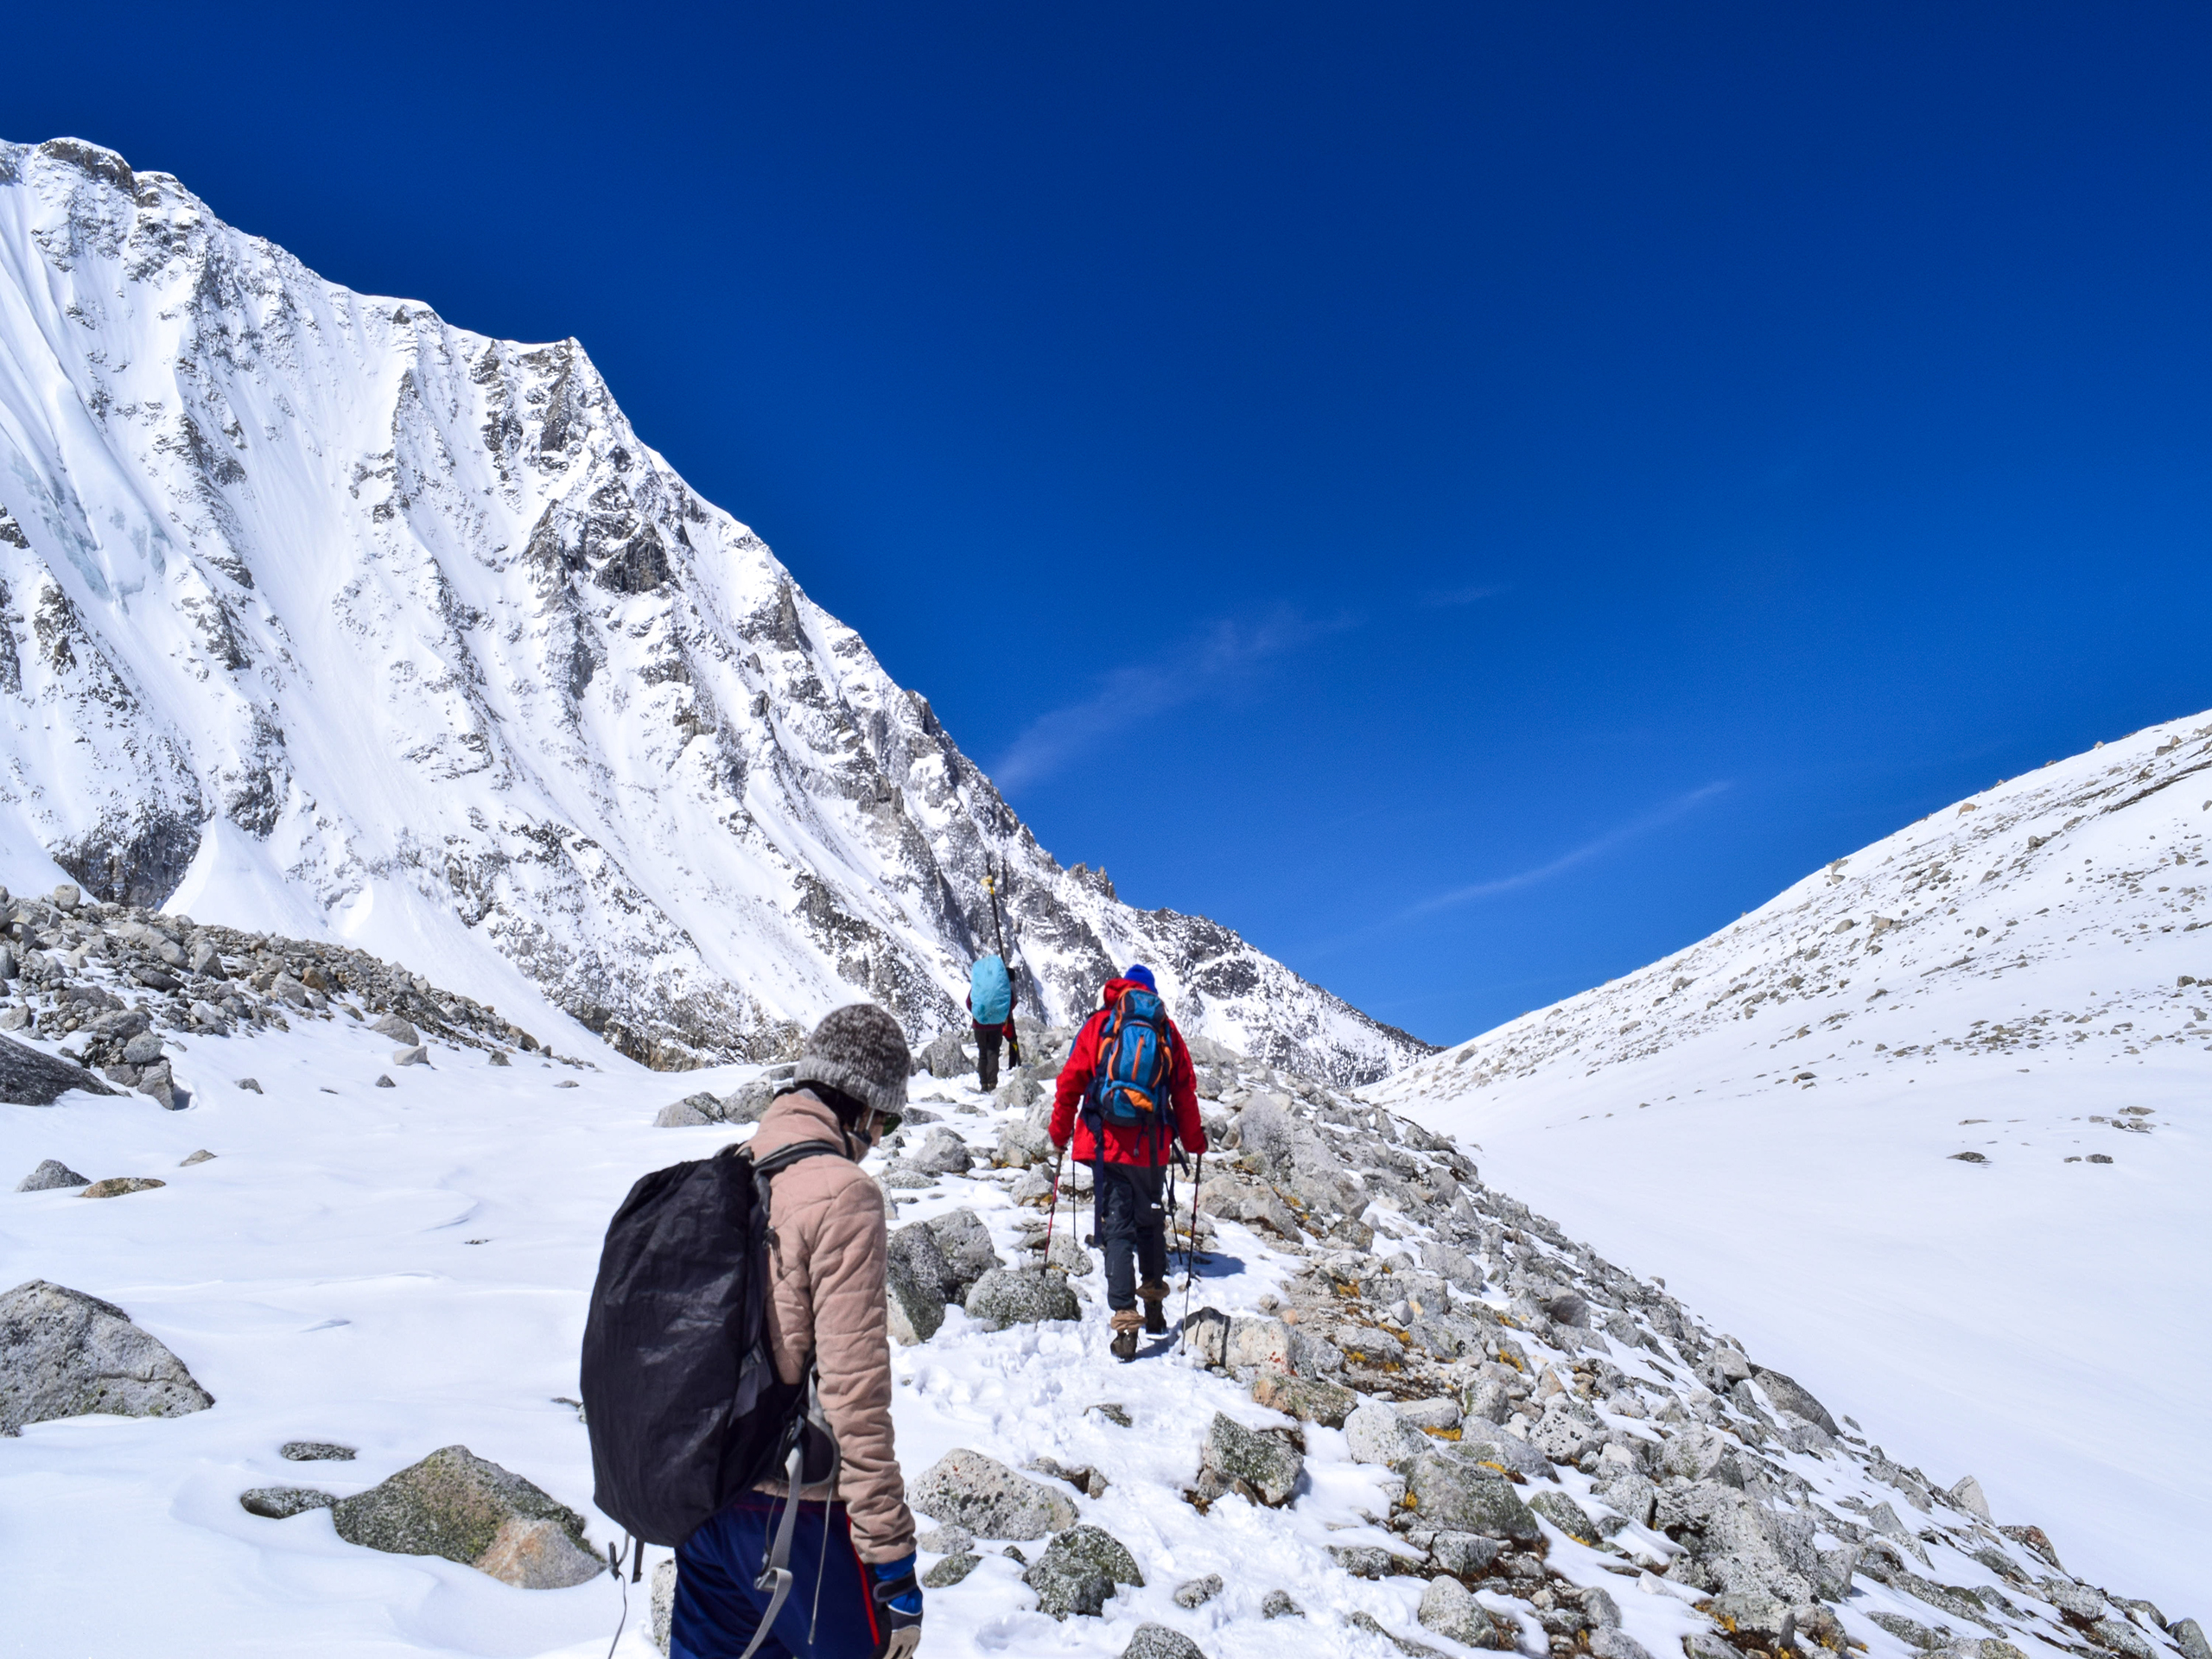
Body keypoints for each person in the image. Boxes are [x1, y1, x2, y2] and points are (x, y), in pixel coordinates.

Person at [669, 1003, 924, 1659]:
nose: (880, 1137)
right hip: (793, 1515)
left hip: (704, 1498)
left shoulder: (732, 1166)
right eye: (886, 1121)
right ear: (863, 1109)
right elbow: (854, 1393)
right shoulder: (846, 1194)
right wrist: (890, 1557)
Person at [1048, 963, 1208, 1361]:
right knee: (1151, 1218)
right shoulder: (1165, 1031)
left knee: (1116, 1229)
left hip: (1106, 1142)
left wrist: (1058, 1132)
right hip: (1151, 1145)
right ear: (1151, 995)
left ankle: (1125, 1321)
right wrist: (1195, 1142)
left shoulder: (1101, 1024)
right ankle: (1154, 1305)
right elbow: (1184, 1091)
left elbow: (1071, 1081)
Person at [965, 951, 1017, 1091]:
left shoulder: (979, 987)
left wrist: (979, 1014)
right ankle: (992, 1084)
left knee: (982, 1053)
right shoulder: (1001, 987)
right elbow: (1011, 1002)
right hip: (996, 1024)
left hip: (979, 1024)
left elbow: (969, 1003)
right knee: (993, 1052)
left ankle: (984, 1084)